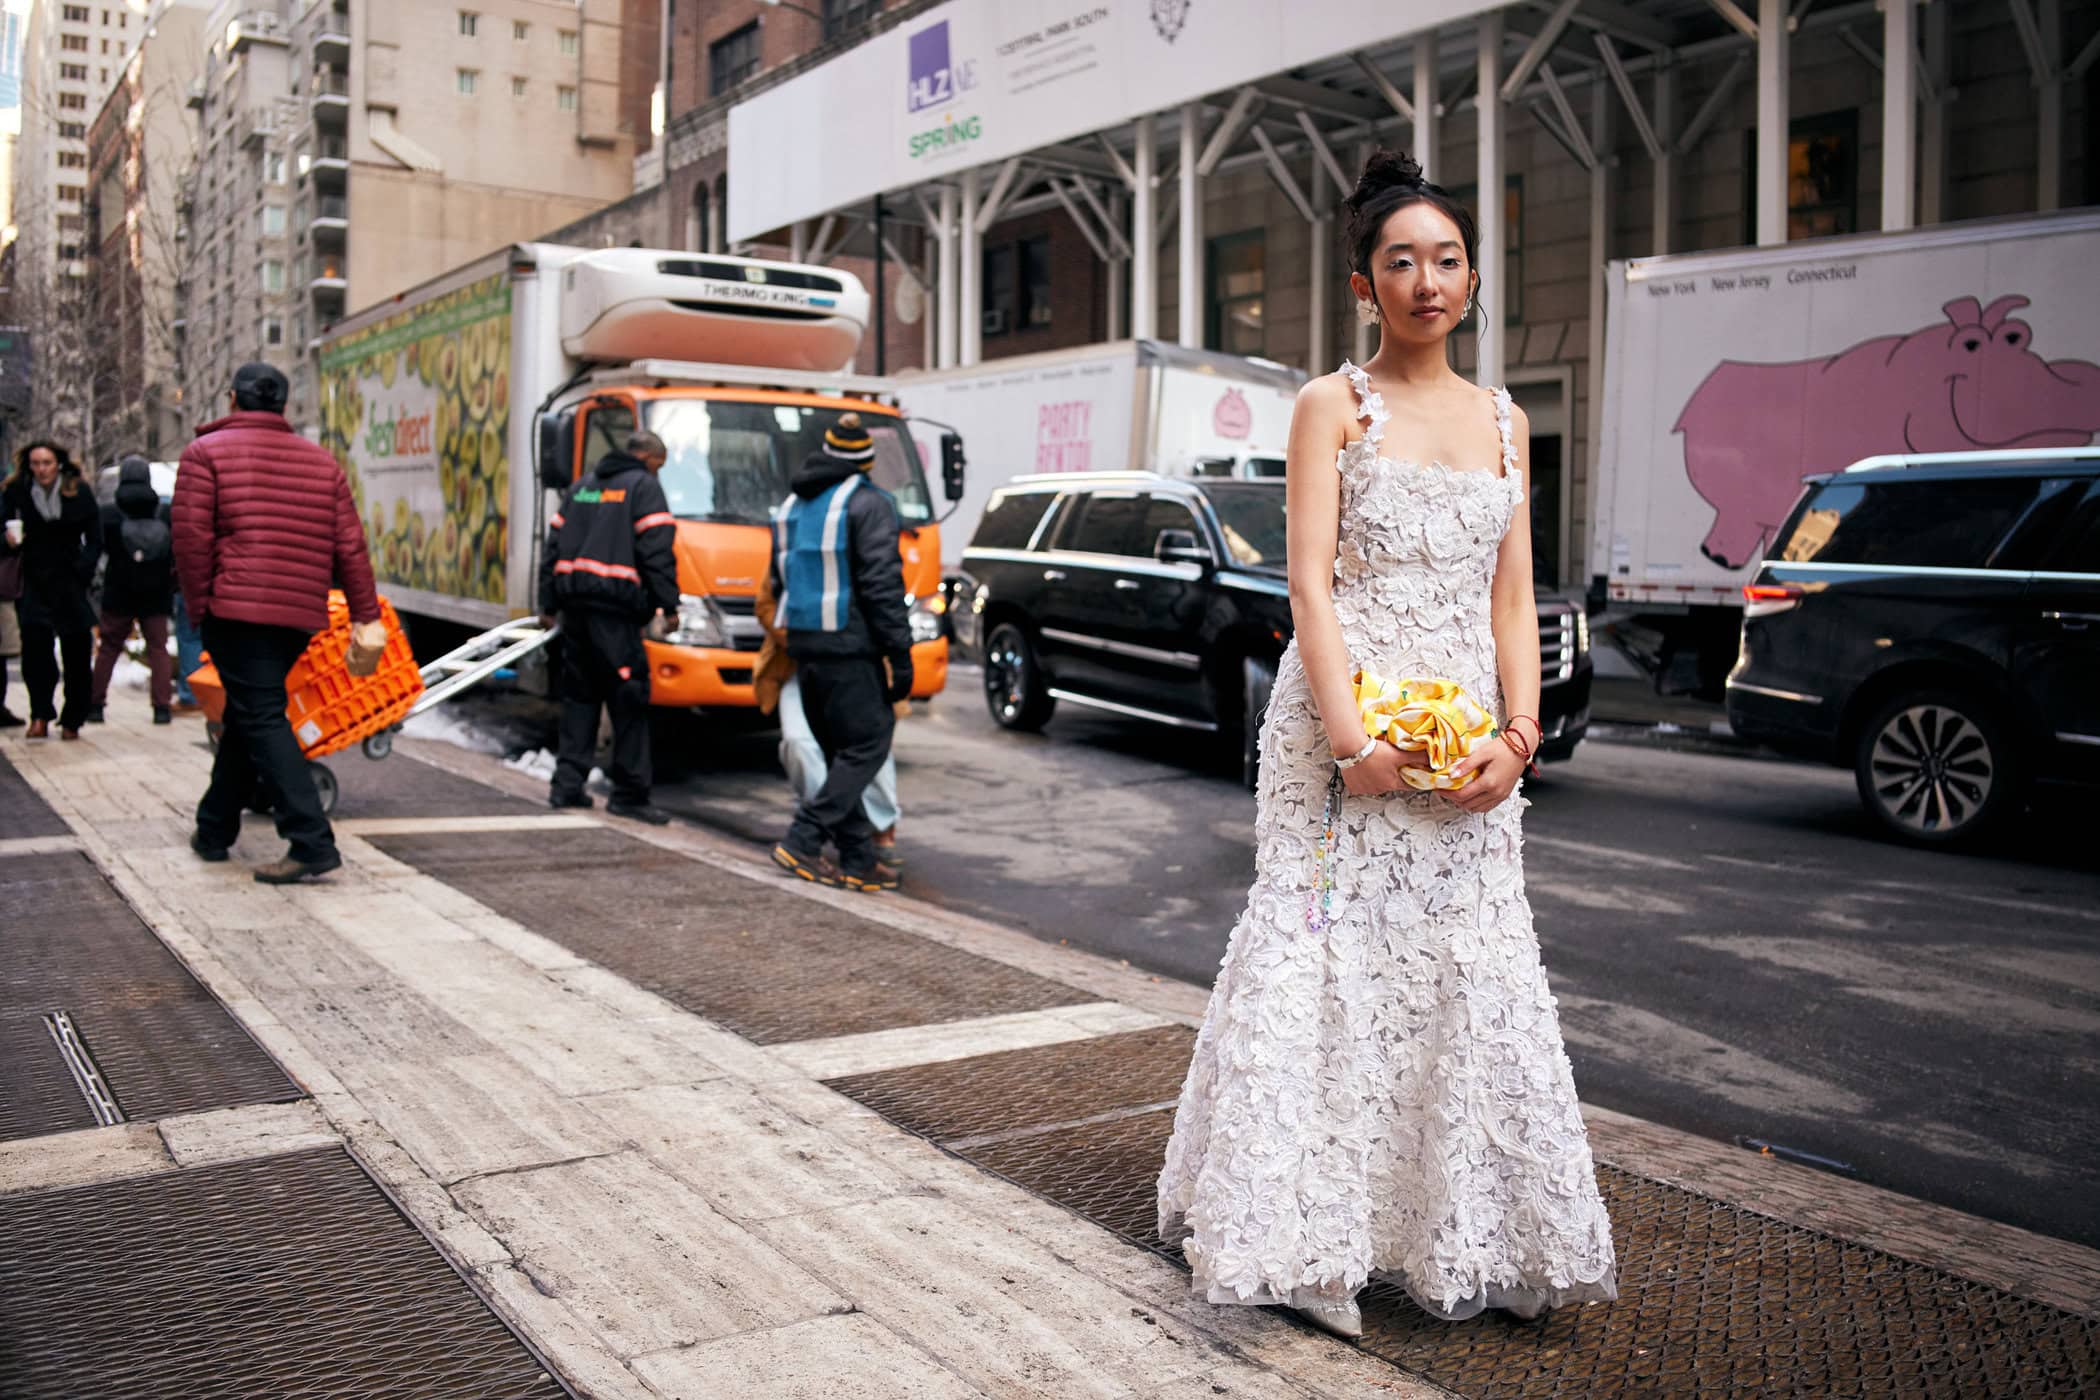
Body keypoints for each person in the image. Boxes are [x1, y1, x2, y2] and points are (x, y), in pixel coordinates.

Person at [1155, 151, 1618, 1338]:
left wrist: (1519, 737)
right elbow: (1308, 584)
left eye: (1448, 259)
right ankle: (1304, 1237)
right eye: (1401, 261)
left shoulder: (1508, 420)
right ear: (1364, 283)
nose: (1427, 281)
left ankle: (1470, 1227)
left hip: (1471, 734)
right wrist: (1354, 738)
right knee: (1326, 960)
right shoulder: (1333, 404)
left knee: (1470, 964)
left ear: (1473, 276)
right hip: (1340, 728)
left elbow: (1513, 599)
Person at [173, 362, 382, 884]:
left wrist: (200, 608)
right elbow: (350, 546)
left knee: (260, 716)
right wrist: (365, 616)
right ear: (283, 407)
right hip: (296, 616)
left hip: (235, 610)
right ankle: (213, 829)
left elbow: (192, 545)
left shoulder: (204, 454)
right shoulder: (321, 463)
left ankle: (311, 841)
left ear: (232, 399)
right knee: (250, 715)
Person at [767, 413, 913, 893]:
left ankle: (857, 858)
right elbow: (881, 584)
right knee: (869, 744)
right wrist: (900, 653)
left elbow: (776, 579)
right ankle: (803, 838)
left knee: (840, 757)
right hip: (850, 648)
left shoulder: (791, 505)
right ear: (866, 461)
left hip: (804, 649)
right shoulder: (869, 504)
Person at [537, 428, 678, 824]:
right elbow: (656, 549)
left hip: (575, 613)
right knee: (629, 700)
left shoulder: (583, 486)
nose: (658, 474)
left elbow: (553, 546)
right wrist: (668, 604)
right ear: (647, 456)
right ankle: (630, 795)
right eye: (659, 466)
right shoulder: (642, 487)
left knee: (580, 700)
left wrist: (547, 603)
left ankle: (567, 787)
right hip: (615, 614)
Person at [754, 566, 905, 866]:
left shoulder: (866, 544)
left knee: (867, 747)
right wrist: (807, 636)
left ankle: (870, 834)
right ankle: (822, 834)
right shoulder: (798, 538)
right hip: (803, 662)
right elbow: (766, 604)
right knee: (804, 744)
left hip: (857, 664)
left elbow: (886, 602)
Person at [0, 441, 100, 741]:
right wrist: (7, 541)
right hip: (33, 579)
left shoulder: (77, 491)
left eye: (46, 463)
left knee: (77, 652)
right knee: (35, 653)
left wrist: (84, 568)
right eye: (35, 463)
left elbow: (95, 536)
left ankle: (73, 717)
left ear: (58, 463)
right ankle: (40, 713)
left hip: (69, 580)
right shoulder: (16, 493)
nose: (41, 469)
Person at [87, 455, 177, 725]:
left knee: (109, 648)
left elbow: (98, 553)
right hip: (156, 592)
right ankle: (161, 708)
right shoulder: (164, 512)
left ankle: (96, 704)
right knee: (158, 649)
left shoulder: (109, 514)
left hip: (119, 591)